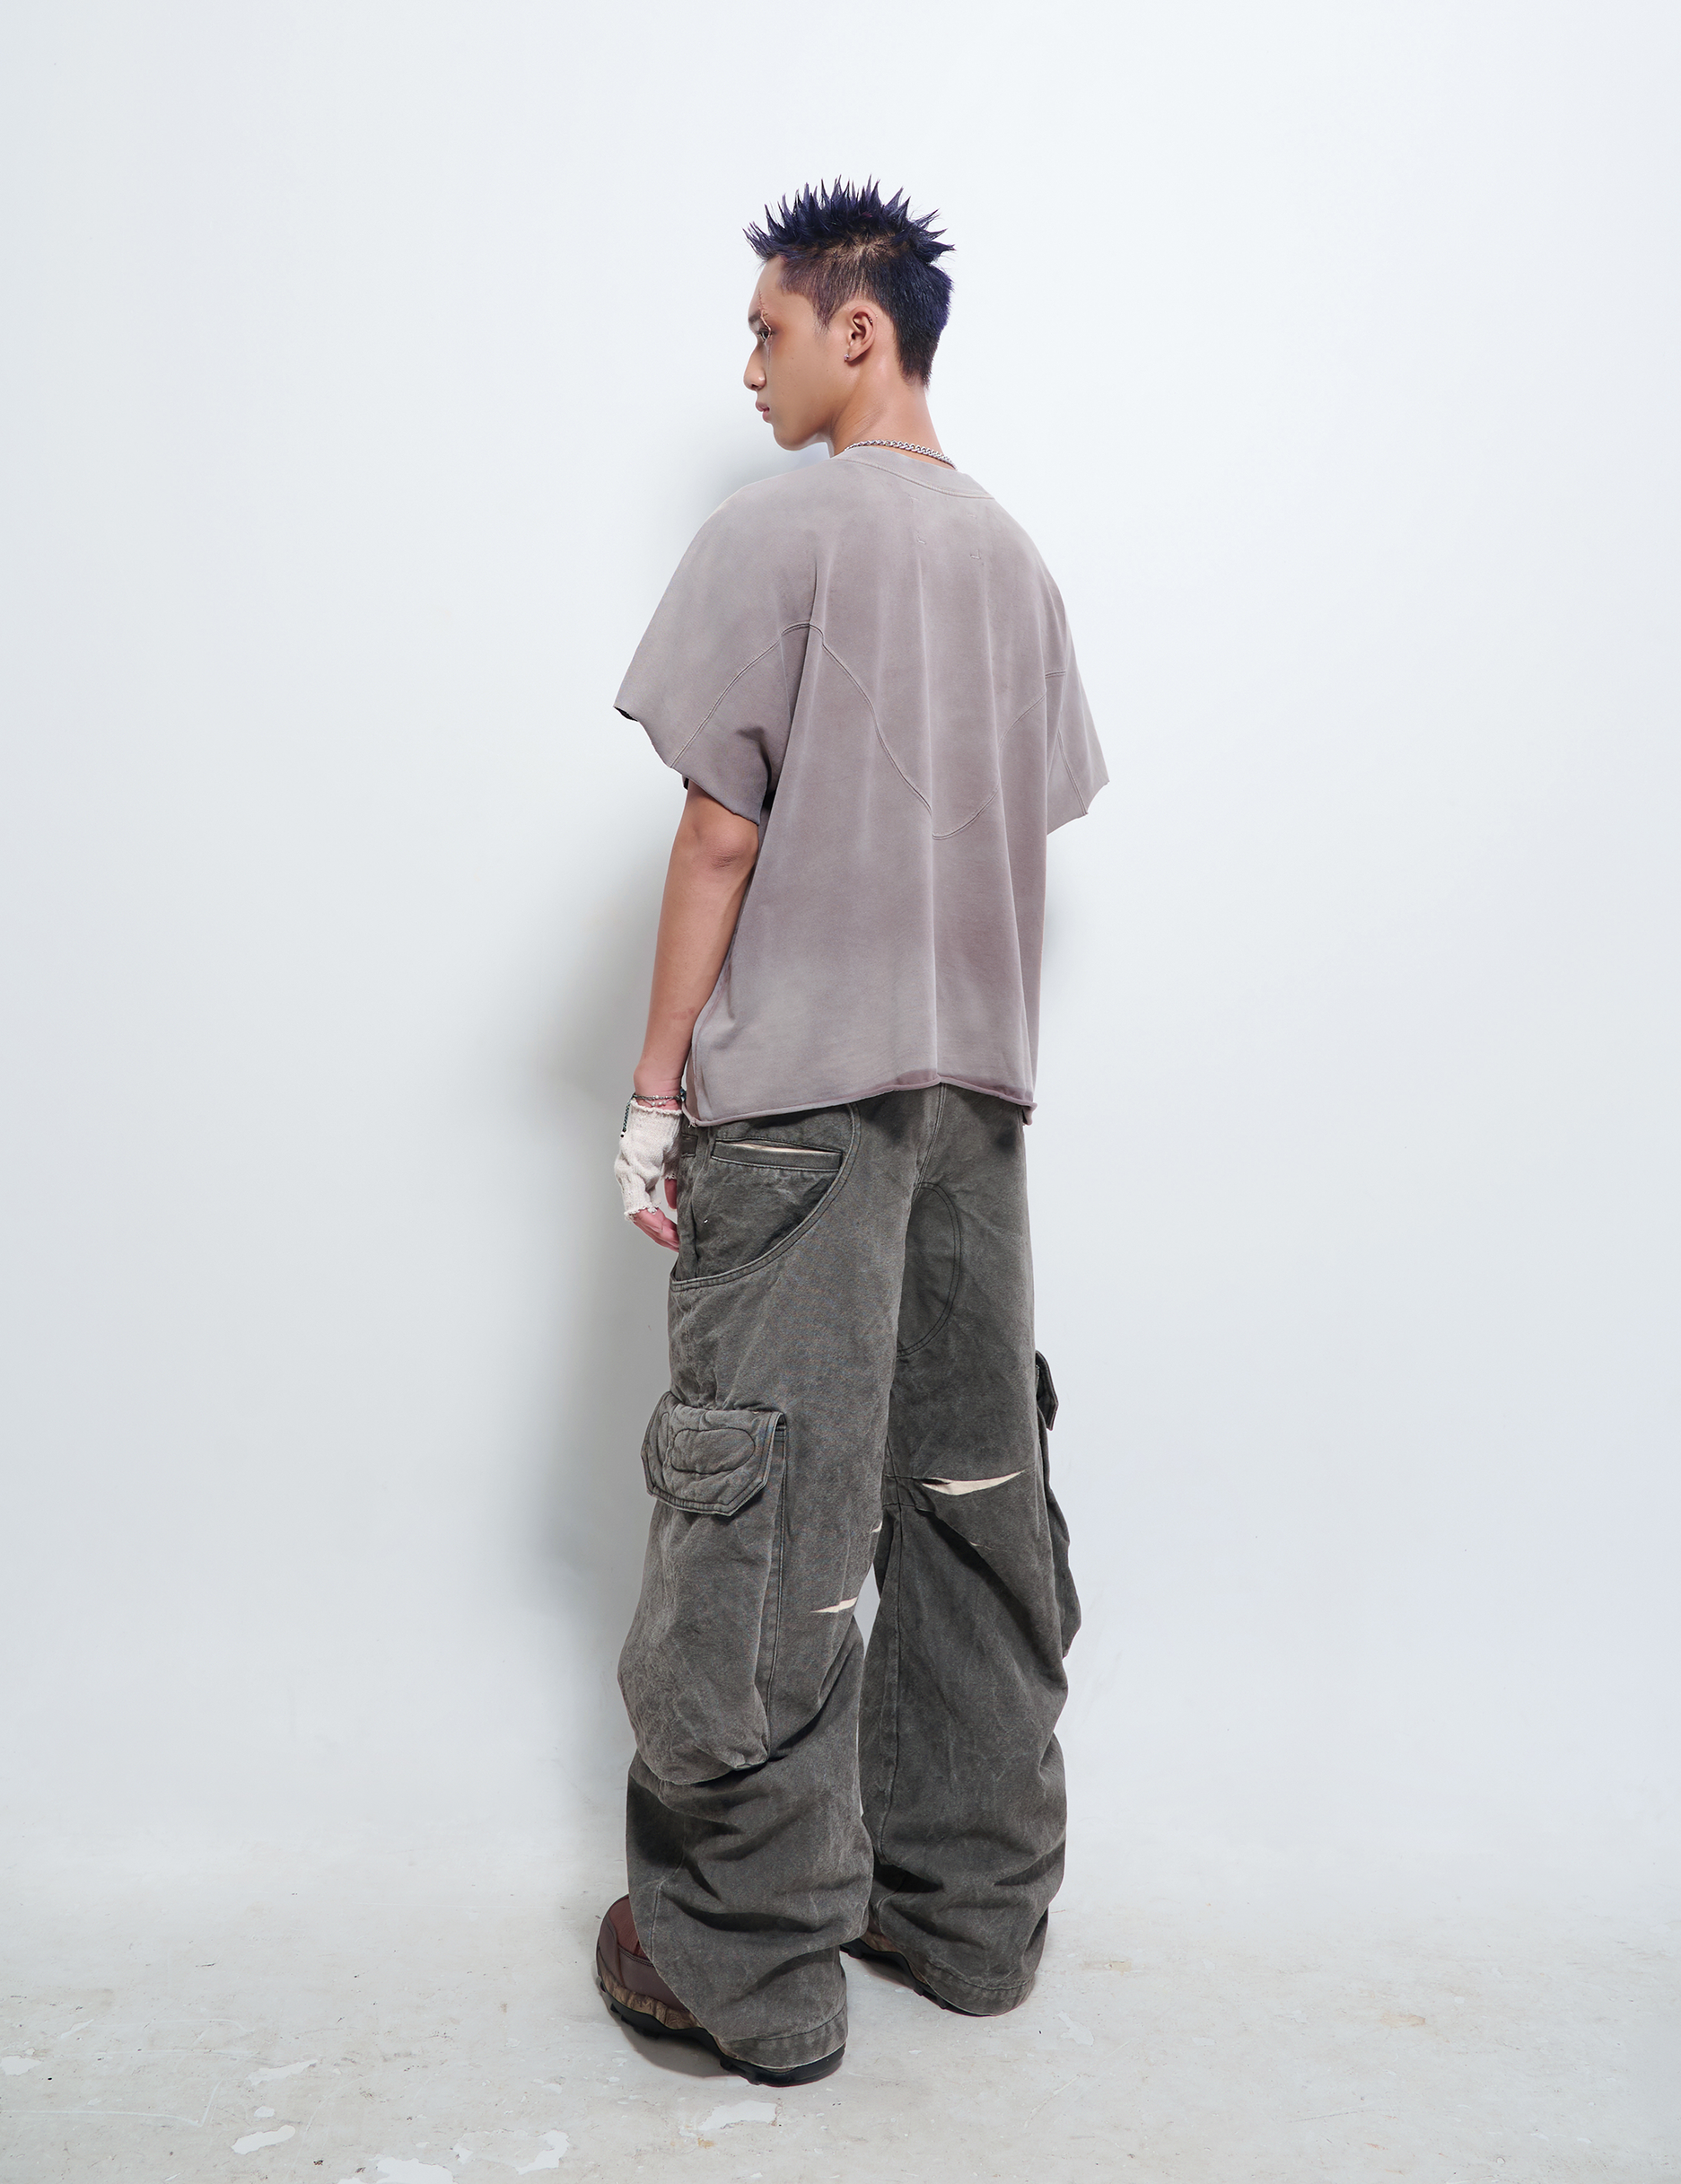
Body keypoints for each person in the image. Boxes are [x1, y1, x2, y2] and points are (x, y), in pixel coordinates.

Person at [595, 180, 1107, 2087]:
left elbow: (718, 833)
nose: (750, 367)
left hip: (801, 1111)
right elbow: (1011, 819)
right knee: (971, 1498)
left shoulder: (779, 531)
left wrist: (655, 1093)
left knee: (766, 1515)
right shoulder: (1016, 567)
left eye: (767, 330)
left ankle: (744, 1966)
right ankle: (964, 1916)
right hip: (973, 1107)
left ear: (857, 329)